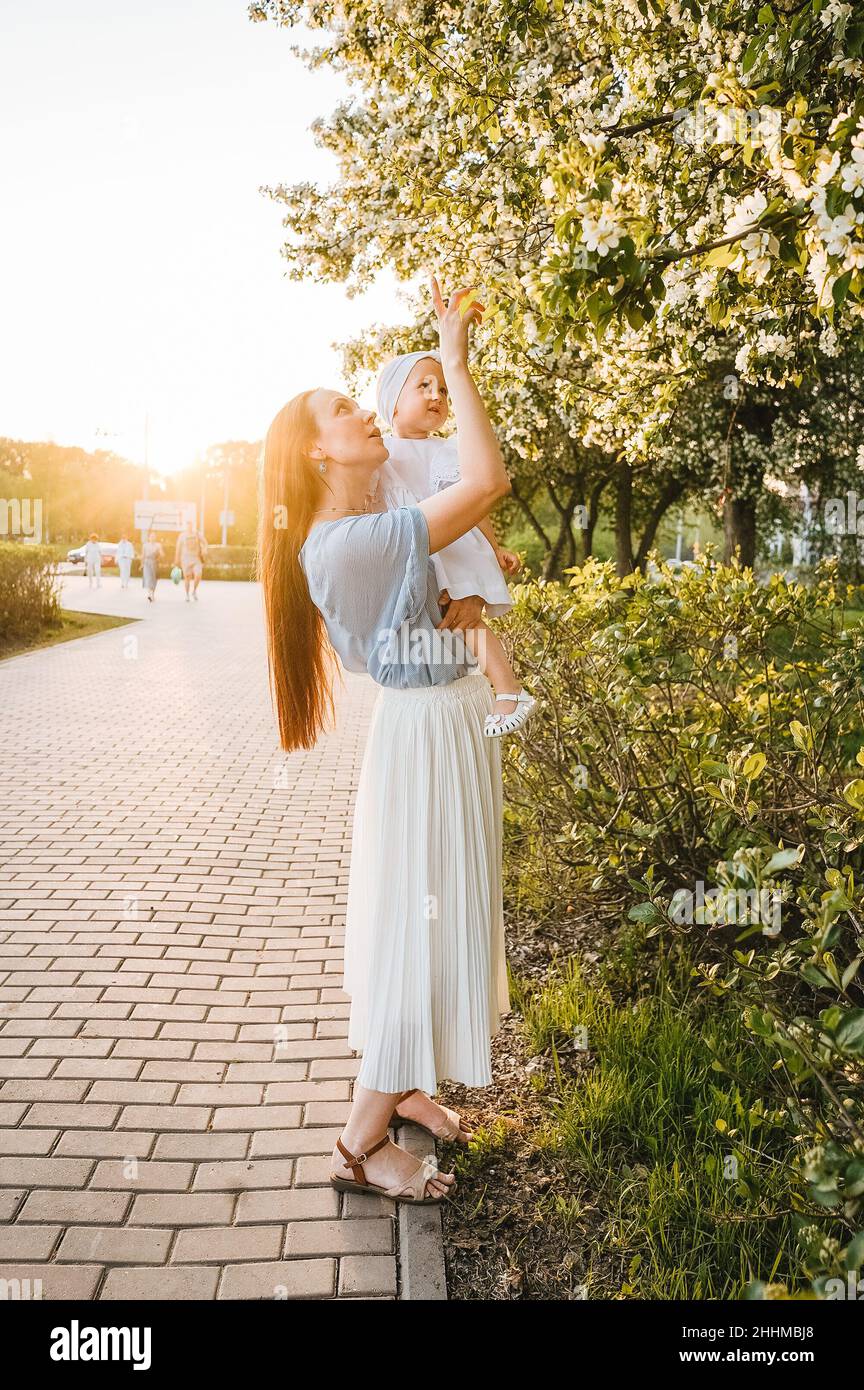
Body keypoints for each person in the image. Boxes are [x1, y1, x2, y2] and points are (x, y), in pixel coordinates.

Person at [259, 277, 512, 1206]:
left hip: (439, 728)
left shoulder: (367, 522)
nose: (361, 413)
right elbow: (487, 485)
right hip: (425, 741)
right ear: (314, 450)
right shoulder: (354, 539)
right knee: (419, 926)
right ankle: (360, 1144)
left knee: (432, 914)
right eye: (339, 409)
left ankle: (406, 1086)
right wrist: (452, 356)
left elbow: (447, 503)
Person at [372, 348, 537, 737]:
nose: (437, 396)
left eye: (444, 390)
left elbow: (474, 503)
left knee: (467, 621)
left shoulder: (448, 450)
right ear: (392, 402)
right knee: (438, 623)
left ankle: (509, 689)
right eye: (424, 386)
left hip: (454, 549)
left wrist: (494, 549)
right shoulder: (381, 453)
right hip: (417, 551)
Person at [174, 520, 208, 602]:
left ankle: (194, 591)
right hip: (185, 559)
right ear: (186, 526)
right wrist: (176, 559)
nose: (189, 527)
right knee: (187, 577)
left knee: (198, 574)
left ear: (192, 525)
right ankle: (187, 594)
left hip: (196, 558)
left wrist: (204, 549)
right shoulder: (182, 535)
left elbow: (205, 542)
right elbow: (178, 548)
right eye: (188, 525)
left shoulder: (197, 534)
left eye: (191, 525)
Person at [141, 530, 163, 602]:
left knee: (154, 580)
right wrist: (141, 564)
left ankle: (152, 593)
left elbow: (161, 553)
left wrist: (161, 554)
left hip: (154, 563)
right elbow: (143, 555)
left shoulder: (158, 545)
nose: (153, 537)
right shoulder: (145, 545)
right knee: (148, 578)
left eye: (154, 536)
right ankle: (150, 594)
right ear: (149, 537)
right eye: (151, 536)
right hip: (147, 563)